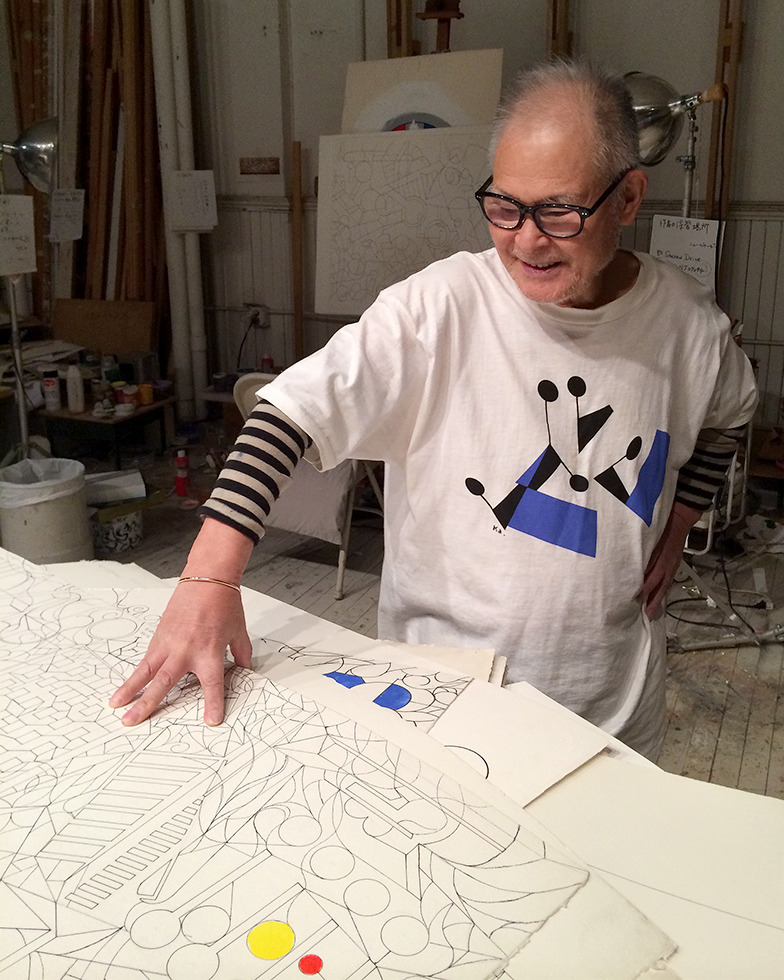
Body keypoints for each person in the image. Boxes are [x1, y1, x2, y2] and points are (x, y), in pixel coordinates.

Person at [110, 58, 757, 759]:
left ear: (628, 198)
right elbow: (284, 417)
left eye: (559, 212)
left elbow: (728, 415)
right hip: (440, 700)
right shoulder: (439, 308)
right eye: (505, 206)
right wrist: (208, 579)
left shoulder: (688, 326)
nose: (526, 239)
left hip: (611, 713)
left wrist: (680, 521)